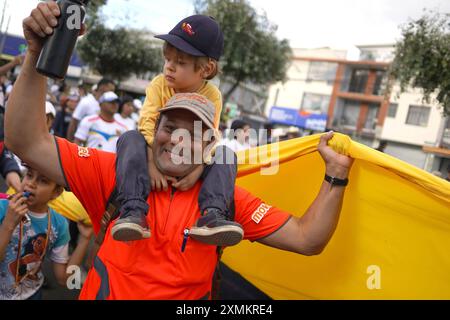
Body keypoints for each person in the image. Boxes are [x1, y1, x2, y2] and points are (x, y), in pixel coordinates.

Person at [6, 2, 353, 299]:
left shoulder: (226, 197)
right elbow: (26, 141)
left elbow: (308, 239)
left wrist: (335, 175)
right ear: (156, 129)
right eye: (170, 127)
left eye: (194, 132)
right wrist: (36, 53)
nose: (177, 140)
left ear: (208, 142)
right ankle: (132, 212)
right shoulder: (112, 172)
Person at [111, 15, 244, 246]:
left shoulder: (212, 96)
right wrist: (152, 162)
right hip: (157, 153)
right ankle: (133, 210)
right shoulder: (158, 84)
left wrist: (198, 168)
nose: (169, 67)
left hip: (190, 160)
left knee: (226, 154)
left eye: (180, 62)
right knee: (130, 138)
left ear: (206, 69)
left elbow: (210, 137)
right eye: (167, 59)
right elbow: (147, 122)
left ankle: (212, 214)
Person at [0, 166, 93, 300]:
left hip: (33, 294)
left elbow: (63, 279)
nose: (31, 183)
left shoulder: (59, 224)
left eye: (43, 181)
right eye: (29, 175)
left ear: (56, 192)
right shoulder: (3, 207)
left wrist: (85, 239)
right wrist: (8, 224)